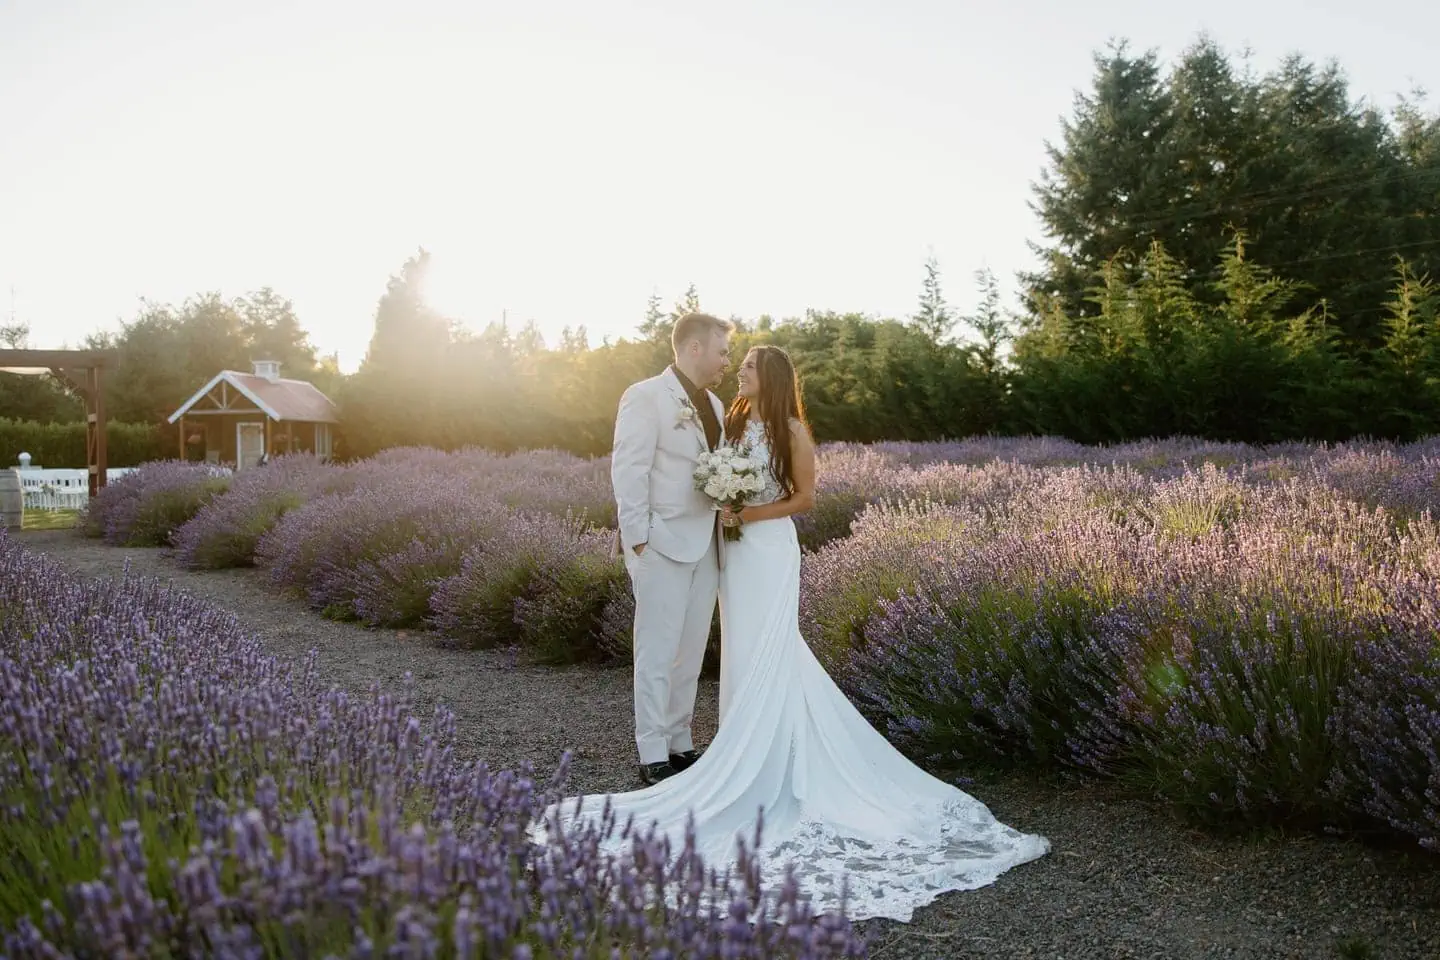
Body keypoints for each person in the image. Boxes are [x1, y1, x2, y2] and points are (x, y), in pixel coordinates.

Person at [544, 344, 1050, 923]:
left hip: (767, 550)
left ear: (774, 378)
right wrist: (714, 505)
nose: (739, 370)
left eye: (750, 366)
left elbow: (803, 499)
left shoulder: (791, 429)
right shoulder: (731, 417)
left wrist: (742, 514)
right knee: (741, 649)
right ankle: (741, 747)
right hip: (731, 555)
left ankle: (774, 759)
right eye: (738, 364)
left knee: (769, 647)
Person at [609, 311, 733, 786]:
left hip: (706, 544)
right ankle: (652, 747)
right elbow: (629, 469)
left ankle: (680, 740)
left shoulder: (717, 406)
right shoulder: (644, 397)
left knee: (691, 648)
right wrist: (637, 537)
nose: (726, 360)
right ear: (695, 347)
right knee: (657, 649)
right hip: (660, 542)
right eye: (721, 350)